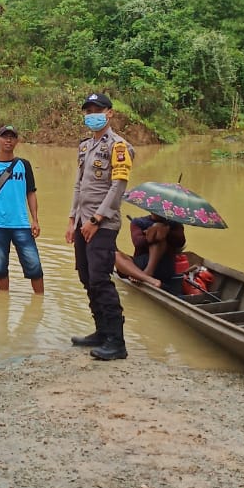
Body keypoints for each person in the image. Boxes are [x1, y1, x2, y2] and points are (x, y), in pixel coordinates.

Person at [65, 93, 134, 361]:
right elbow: (79, 184)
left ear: (110, 113)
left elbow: (118, 187)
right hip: (83, 222)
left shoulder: (119, 147)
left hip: (102, 225)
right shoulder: (84, 147)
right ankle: (101, 332)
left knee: (100, 280)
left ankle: (117, 342)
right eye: (88, 110)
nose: (91, 114)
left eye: (97, 109)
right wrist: (73, 220)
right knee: (86, 276)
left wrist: (96, 220)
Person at [0, 125, 44, 295]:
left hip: (22, 224)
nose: (8, 140)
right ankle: (4, 301)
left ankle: (39, 302)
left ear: (17, 141)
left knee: (35, 267)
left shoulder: (24, 165)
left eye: (12, 137)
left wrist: (35, 220)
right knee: (0, 268)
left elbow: (31, 193)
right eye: (4, 137)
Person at [128, 214, 187, 296]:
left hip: (165, 266)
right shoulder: (139, 222)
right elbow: (138, 242)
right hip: (142, 264)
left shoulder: (174, 224)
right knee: (117, 257)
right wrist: (151, 233)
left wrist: (167, 232)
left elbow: (181, 242)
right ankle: (147, 273)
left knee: (160, 240)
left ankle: (148, 272)